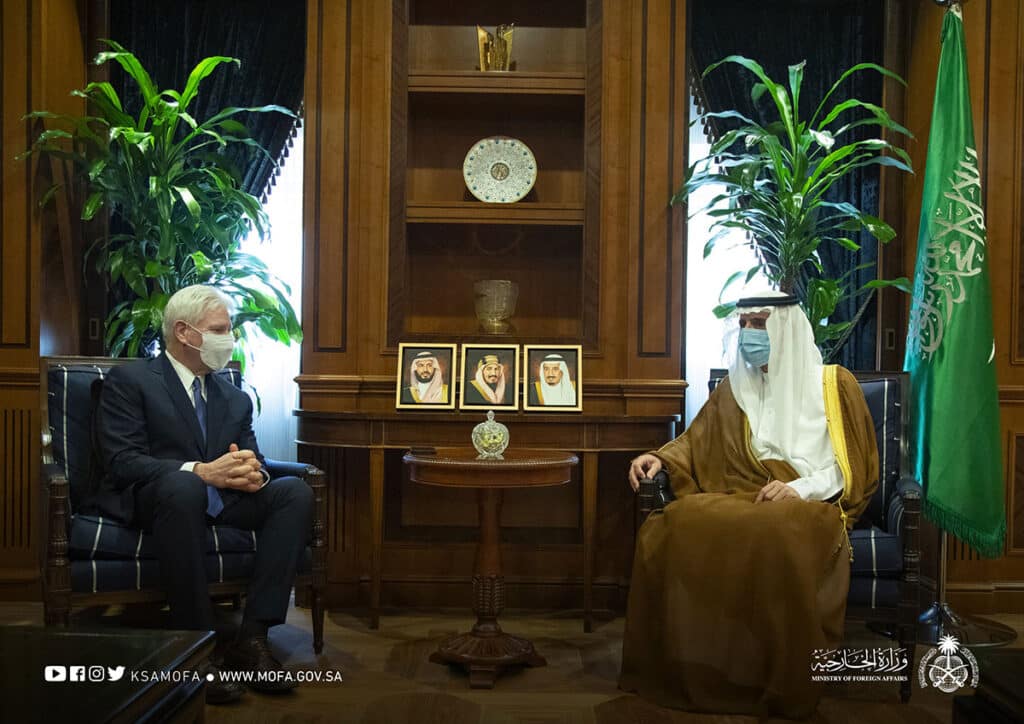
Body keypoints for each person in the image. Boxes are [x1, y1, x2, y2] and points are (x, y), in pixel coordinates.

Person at [619, 291, 879, 718]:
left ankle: (773, 677)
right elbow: (695, 440)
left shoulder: (834, 385)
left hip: (809, 503)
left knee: (777, 528)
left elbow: (850, 466)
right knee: (677, 520)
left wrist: (799, 489)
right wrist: (660, 457)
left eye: (759, 323)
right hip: (745, 494)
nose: (748, 334)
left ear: (786, 328)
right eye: (743, 325)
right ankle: (702, 670)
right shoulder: (734, 388)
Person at [92, 285, 314, 704]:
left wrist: (253, 475)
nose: (229, 339)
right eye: (219, 330)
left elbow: (253, 459)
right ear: (184, 332)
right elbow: (122, 461)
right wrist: (201, 471)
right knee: (185, 485)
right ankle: (197, 648)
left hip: (223, 501)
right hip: (161, 500)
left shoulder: (234, 398)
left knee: (294, 493)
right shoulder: (131, 381)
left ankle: (253, 639)